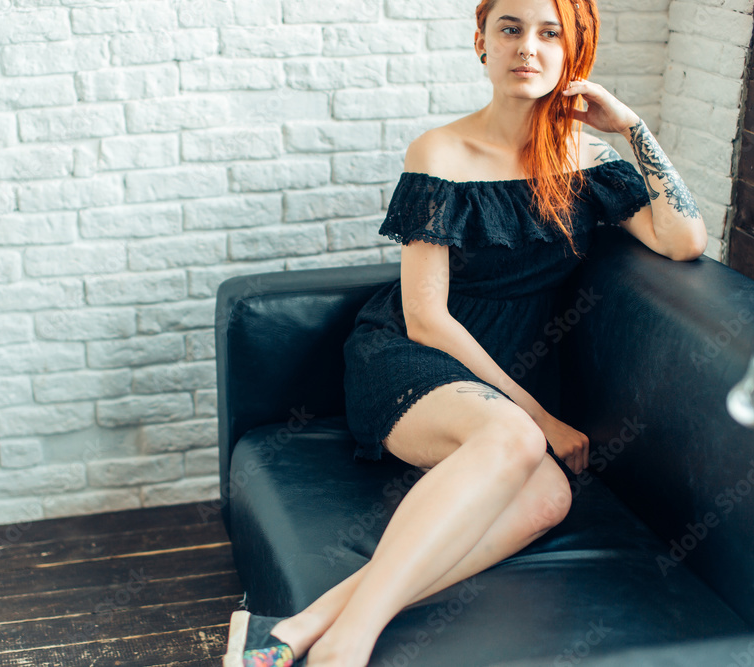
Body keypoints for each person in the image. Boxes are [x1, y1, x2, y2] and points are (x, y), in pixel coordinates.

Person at [224, 0, 708, 664]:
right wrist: (539, 417)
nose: (527, 48)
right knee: (512, 435)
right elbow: (427, 317)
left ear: (575, 53)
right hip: (410, 358)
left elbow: (684, 240)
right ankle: (349, 645)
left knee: (548, 495)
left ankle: (300, 626)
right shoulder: (440, 152)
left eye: (550, 34)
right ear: (481, 41)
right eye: (510, 29)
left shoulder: (589, 162)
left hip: (499, 374)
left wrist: (632, 128)